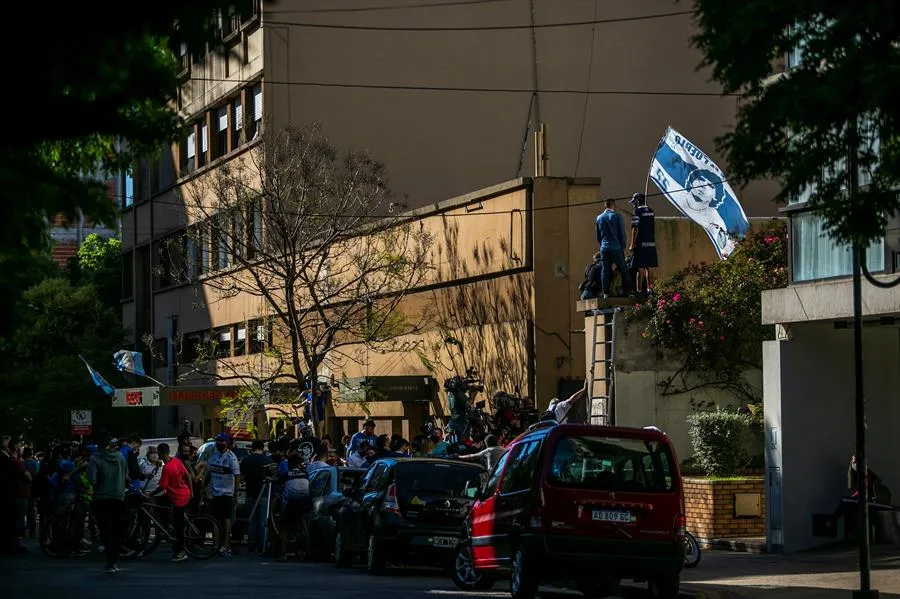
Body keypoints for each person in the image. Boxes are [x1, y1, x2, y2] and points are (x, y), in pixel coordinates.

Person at [90, 432, 128, 573]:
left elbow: (92, 480)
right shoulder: (120, 457)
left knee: (106, 531)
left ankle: (110, 561)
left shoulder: (95, 458)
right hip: (118, 497)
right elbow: (126, 474)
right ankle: (115, 560)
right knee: (118, 531)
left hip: (101, 498)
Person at [149, 443, 192, 562]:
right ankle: (167, 525)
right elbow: (187, 475)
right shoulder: (177, 461)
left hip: (178, 498)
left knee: (179, 526)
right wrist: (191, 492)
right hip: (184, 493)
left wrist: (149, 494)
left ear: (162, 453)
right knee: (164, 505)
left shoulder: (167, 468)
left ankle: (180, 551)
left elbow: (162, 486)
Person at [206, 433, 241, 558]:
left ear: (227, 443)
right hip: (215, 494)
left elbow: (237, 476)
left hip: (227, 494)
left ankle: (226, 546)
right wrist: (205, 487)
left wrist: (235, 493)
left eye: (222, 441)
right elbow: (208, 472)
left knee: (227, 520)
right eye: (218, 441)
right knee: (214, 520)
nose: (219, 443)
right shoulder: (214, 456)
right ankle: (215, 545)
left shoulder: (231, 457)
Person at [277, 451, 312, 559]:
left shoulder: (287, 474)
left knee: (283, 527)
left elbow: (277, 481)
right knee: (304, 526)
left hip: (292, 504)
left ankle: (283, 554)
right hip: (305, 503)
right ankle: (304, 552)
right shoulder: (305, 475)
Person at [595, 198, 633, 298]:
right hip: (616, 248)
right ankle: (628, 291)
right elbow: (622, 234)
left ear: (605, 206)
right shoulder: (617, 216)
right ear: (613, 206)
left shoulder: (599, 218)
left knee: (605, 271)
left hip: (604, 248)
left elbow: (598, 236)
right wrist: (623, 246)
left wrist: (602, 245)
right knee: (623, 269)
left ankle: (606, 293)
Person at [240, 439, 273, 554]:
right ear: (262, 448)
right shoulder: (267, 460)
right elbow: (272, 475)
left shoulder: (246, 460)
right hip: (263, 493)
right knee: (263, 520)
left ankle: (251, 544)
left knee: (252, 520)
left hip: (250, 492)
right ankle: (262, 545)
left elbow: (242, 475)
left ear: (253, 448)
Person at [629, 192, 658, 296]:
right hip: (651, 243)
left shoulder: (637, 212)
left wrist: (632, 243)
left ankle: (639, 290)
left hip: (641, 243)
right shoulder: (651, 211)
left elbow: (635, 229)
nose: (633, 204)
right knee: (648, 267)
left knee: (640, 268)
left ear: (637, 201)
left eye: (634, 202)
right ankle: (650, 289)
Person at [22, 448, 39, 539]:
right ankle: (32, 531)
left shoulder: (22, 463)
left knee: (25, 511)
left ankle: (23, 531)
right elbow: (37, 475)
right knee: (32, 510)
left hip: (25, 488)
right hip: (33, 488)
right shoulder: (34, 463)